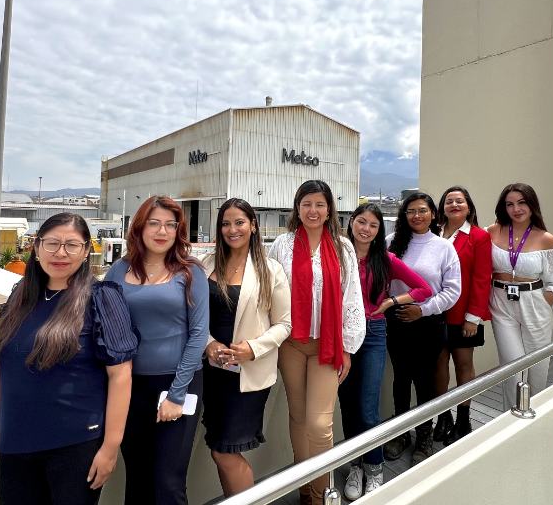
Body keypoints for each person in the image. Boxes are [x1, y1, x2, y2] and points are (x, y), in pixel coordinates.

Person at [0, 213, 138, 505]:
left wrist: (110, 448)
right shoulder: (20, 298)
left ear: (86, 250)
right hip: (16, 442)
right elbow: (3, 367)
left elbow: (121, 375)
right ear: (37, 247)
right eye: (52, 244)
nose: (60, 253)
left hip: (75, 444)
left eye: (71, 245)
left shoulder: (100, 298)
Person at [104, 196, 208, 505]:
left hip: (179, 384)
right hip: (129, 387)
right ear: (139, 227)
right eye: (154, 223)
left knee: (168, 482)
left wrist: (177, 394)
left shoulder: (190, 272)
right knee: (137, 477)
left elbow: (199, 334)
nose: (162, 231)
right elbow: (107, 327)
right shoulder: (118, 272)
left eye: (170, 225)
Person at [268, 180, 365, 505]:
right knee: (297, 417)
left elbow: (352, 297)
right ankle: (305, 491)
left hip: (328, 345)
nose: (313, 210)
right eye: (306, 203)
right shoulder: (282, 244)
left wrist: (348, 347)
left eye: (319, 204)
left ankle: (323, 492)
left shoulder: (342, 246)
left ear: (329, 210)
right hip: (291, 344)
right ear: (297, 207)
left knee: (319, 424)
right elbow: (268, 291)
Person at [339, 203, 432, 499]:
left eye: (373, 225)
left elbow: (423, 289)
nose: (366, 229)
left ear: (380, 232)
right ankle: (355, 464)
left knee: (367, 408)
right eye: (361, 222)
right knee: (348, 405)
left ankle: (374, 467)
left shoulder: (386, 259)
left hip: (374, 333)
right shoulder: (338, 256)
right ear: (351, 223)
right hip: (340, 335)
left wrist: (392, 301)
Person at [200, 198, 292, 497]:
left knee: (226, 452)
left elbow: (285, 324)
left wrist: (253, 347)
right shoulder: (206, 264)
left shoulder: (270, 269)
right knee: (217, 449)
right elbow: (194, 317)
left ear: (253, 225)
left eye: (239, 222)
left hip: (247, 376)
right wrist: (210, 344)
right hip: (211, 372)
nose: (232, 229)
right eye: (226, 223)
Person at [384, 192, 461, 466]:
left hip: (429, 323)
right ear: (404, 215)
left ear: (433, 214)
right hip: (397, 322)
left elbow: (453, 291)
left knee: (426, 381)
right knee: (401, 380)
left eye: (422, 210)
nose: (417, 216)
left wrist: (423, 309)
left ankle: (424, 435)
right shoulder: (392, 243)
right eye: (411, 211)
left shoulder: (443, 247)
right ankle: (401, 433)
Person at [487, 183, 553, 408]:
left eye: (522, 202)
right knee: (512, 367)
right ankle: (510, 418)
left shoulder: (546, 239)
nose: (516, 209)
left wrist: (545, 301)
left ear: (532, 204)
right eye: (510, 204)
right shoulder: (493, 231)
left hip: (534, 303)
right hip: (501, 303)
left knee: (537, 367)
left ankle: (534, 417)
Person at [432, 186, 492, 446]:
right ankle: (443, 415)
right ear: (442, 207)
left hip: (464, 315)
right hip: (435, 312)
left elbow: (481, 279)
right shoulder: (433, 234)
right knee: (438, 365)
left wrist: (473, 317)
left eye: (459, 201)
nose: (454, 205)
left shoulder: (478, 237)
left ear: (468, 207)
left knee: (463, 364)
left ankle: (463, 417)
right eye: (449, 201)